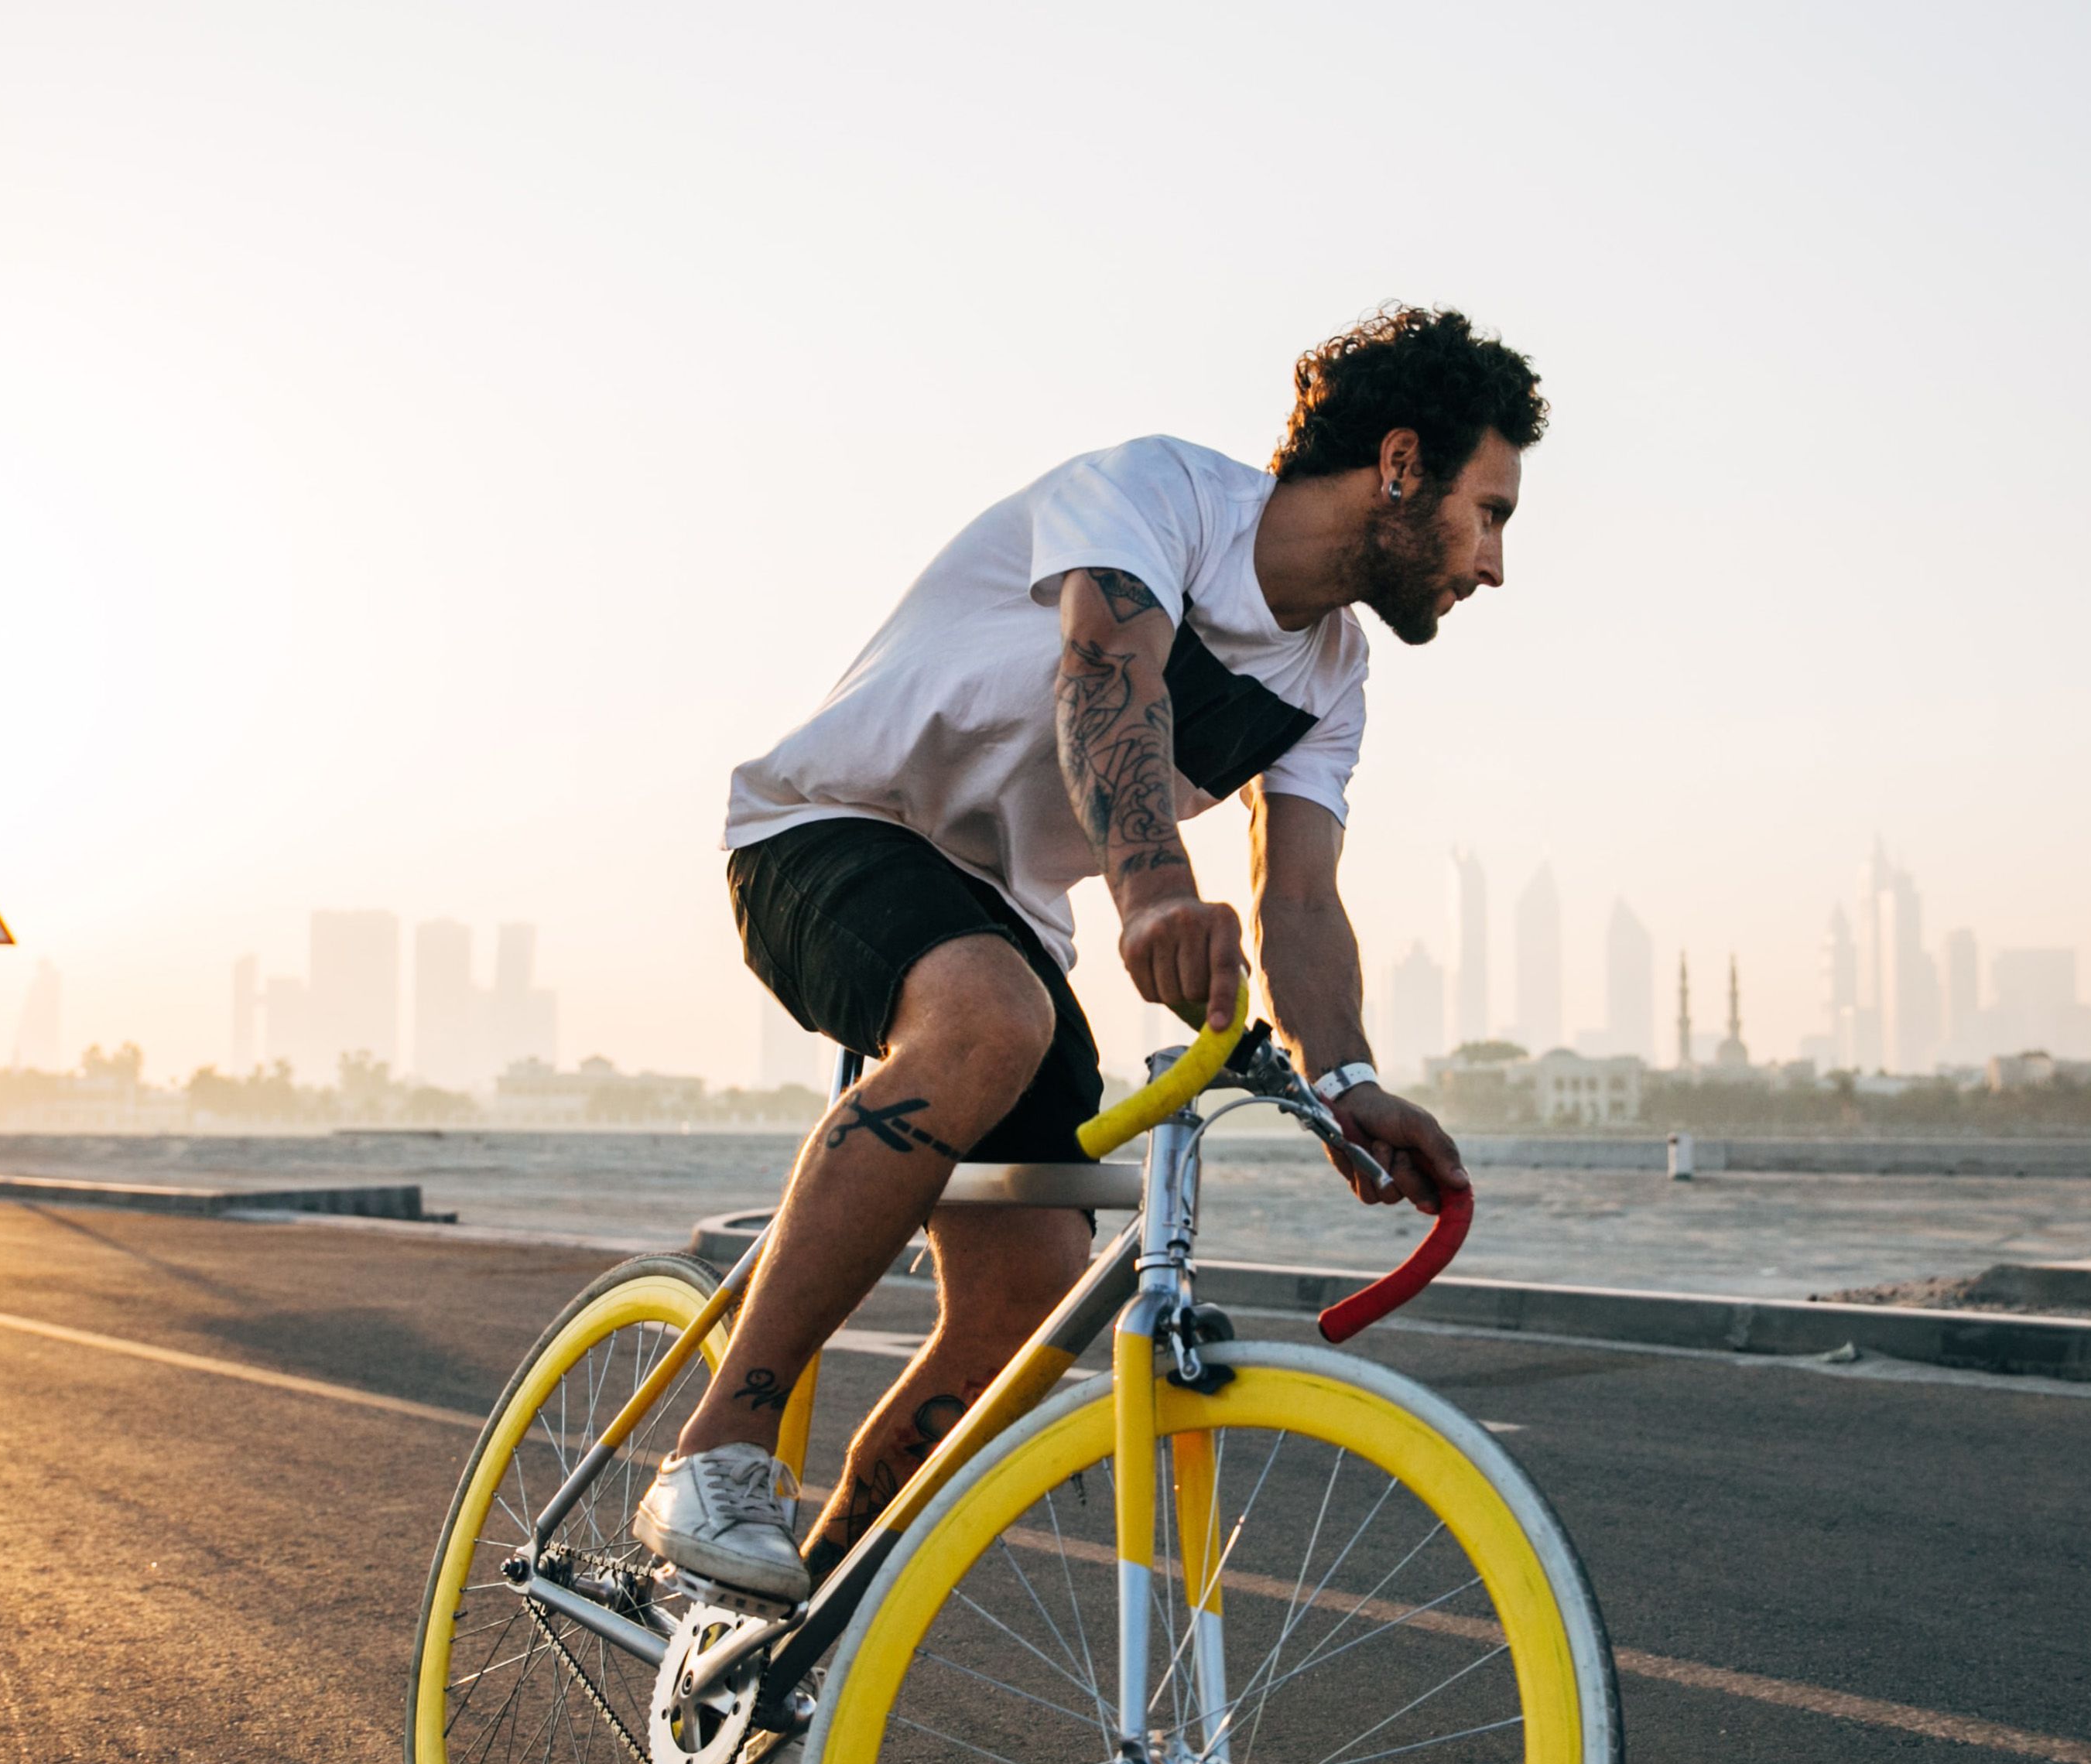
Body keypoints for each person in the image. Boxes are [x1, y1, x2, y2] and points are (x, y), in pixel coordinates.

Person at [635, 303, 1542, 1606]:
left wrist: (1346, 1088)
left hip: (1004, 919)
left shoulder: (1330, 677)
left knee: (1031, 1310)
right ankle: (716, 1456)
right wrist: (1154, 894)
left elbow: (1298, 904)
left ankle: (788, 1631)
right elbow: (1103, 680)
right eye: (1490, 512)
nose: (1493, 564)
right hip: (826, 830)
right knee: (993, 1019)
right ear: (1399, 465)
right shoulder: (1162, 493)